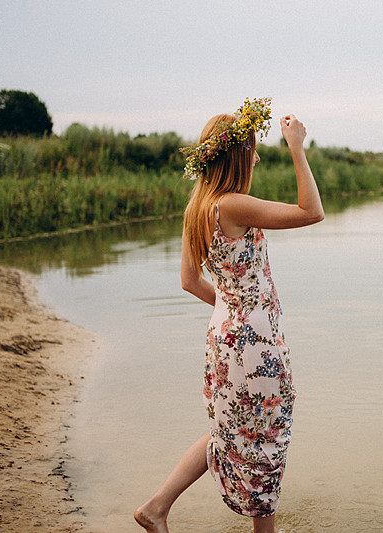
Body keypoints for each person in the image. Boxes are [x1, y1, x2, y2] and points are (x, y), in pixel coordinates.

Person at [135, 98, 324, 533]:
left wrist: (231, 310)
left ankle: (156, 508)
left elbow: (189, 281)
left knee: (232, 432)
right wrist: (296, 147)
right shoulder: (233, 205)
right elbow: (311, 212)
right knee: (265, 437)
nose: (257, 157)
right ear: (236, 158)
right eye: (252, 150)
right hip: (254, 346)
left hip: (225, 339)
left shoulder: (196, 210)